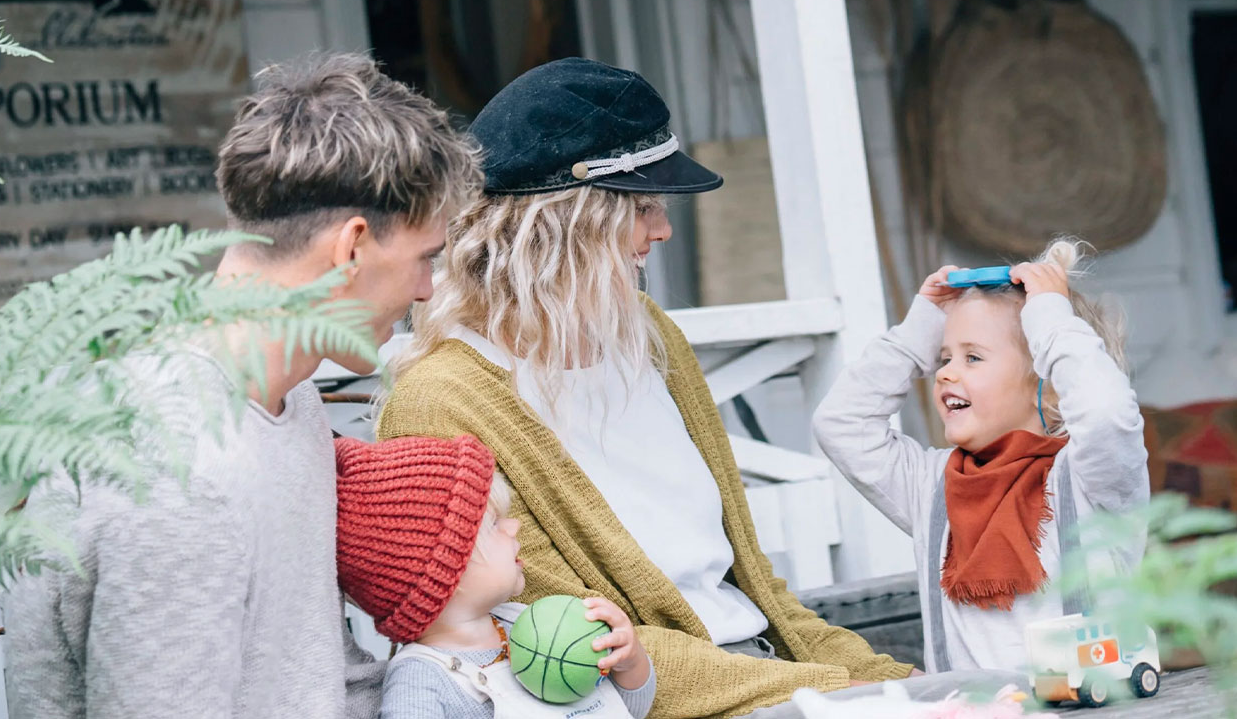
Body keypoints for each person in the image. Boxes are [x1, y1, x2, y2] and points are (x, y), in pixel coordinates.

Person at [377, 57, 912, 719]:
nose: (662, 231)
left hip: (769, 677)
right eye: (645, 207)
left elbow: (752, 586)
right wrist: (838, 694)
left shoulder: (648, 334)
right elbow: (567, 641)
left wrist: (895, 683)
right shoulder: (443, 403)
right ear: (566, 223)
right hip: (658, 701)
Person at [1, 52, 481, 718]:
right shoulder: (179, 470)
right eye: (425, 259)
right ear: (352, 247)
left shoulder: (288, 396)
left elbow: (319, 677)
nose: (428, 289)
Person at [812, 239, 1150, 673]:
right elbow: (840, 421)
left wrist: (1050, 318)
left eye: (973, 358)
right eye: (943, 358)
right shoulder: (932, 486)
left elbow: (1106, 414)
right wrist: (922, 330)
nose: (947, 372)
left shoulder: (1091, 481)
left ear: (1048, 387)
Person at [334, 434, 656, 718]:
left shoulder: (531, 623)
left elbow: (628, 709)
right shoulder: (421, 682)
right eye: (493, 524)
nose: (513, 527)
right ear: (444, 574)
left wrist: (631, 664)